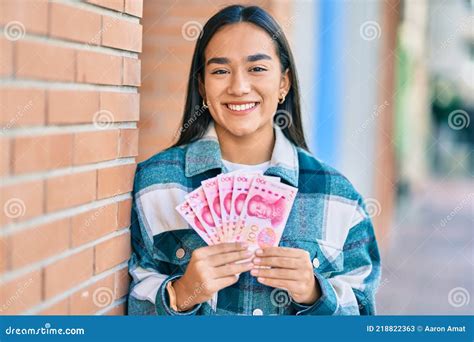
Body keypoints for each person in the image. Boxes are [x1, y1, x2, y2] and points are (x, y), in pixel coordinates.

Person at [128, 4, 381, 315]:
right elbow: (133, 306)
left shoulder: (338, 195)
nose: (239, 87)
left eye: (257, 69)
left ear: (284, 83)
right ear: (202, 87)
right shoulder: (155, 183)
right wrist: (182, 293)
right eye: (220, 71)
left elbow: (365, 310)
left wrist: (316, 293)